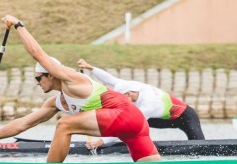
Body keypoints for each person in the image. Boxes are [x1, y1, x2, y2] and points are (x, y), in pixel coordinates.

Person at [0, 14, 161, 162]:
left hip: (125, 116)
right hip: (133, 126)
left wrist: (18, 25)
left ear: (50, 74)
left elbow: (37, 54)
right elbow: (23, 123)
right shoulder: (57, 102)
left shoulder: (72, 79)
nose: (36, 82)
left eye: (38, 78)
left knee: (64, 125)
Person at [77, 59, 205, 149]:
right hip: (163, 118)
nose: (119, 102)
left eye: (121, 99)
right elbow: (109, 79)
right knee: (128, 121)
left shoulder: (148, 104)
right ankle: (139, 144)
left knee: (200, 146)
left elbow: (127, 127)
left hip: (186, 117)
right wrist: (90, 67)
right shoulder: (130, 87)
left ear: (129, 94)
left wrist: (100, 142)